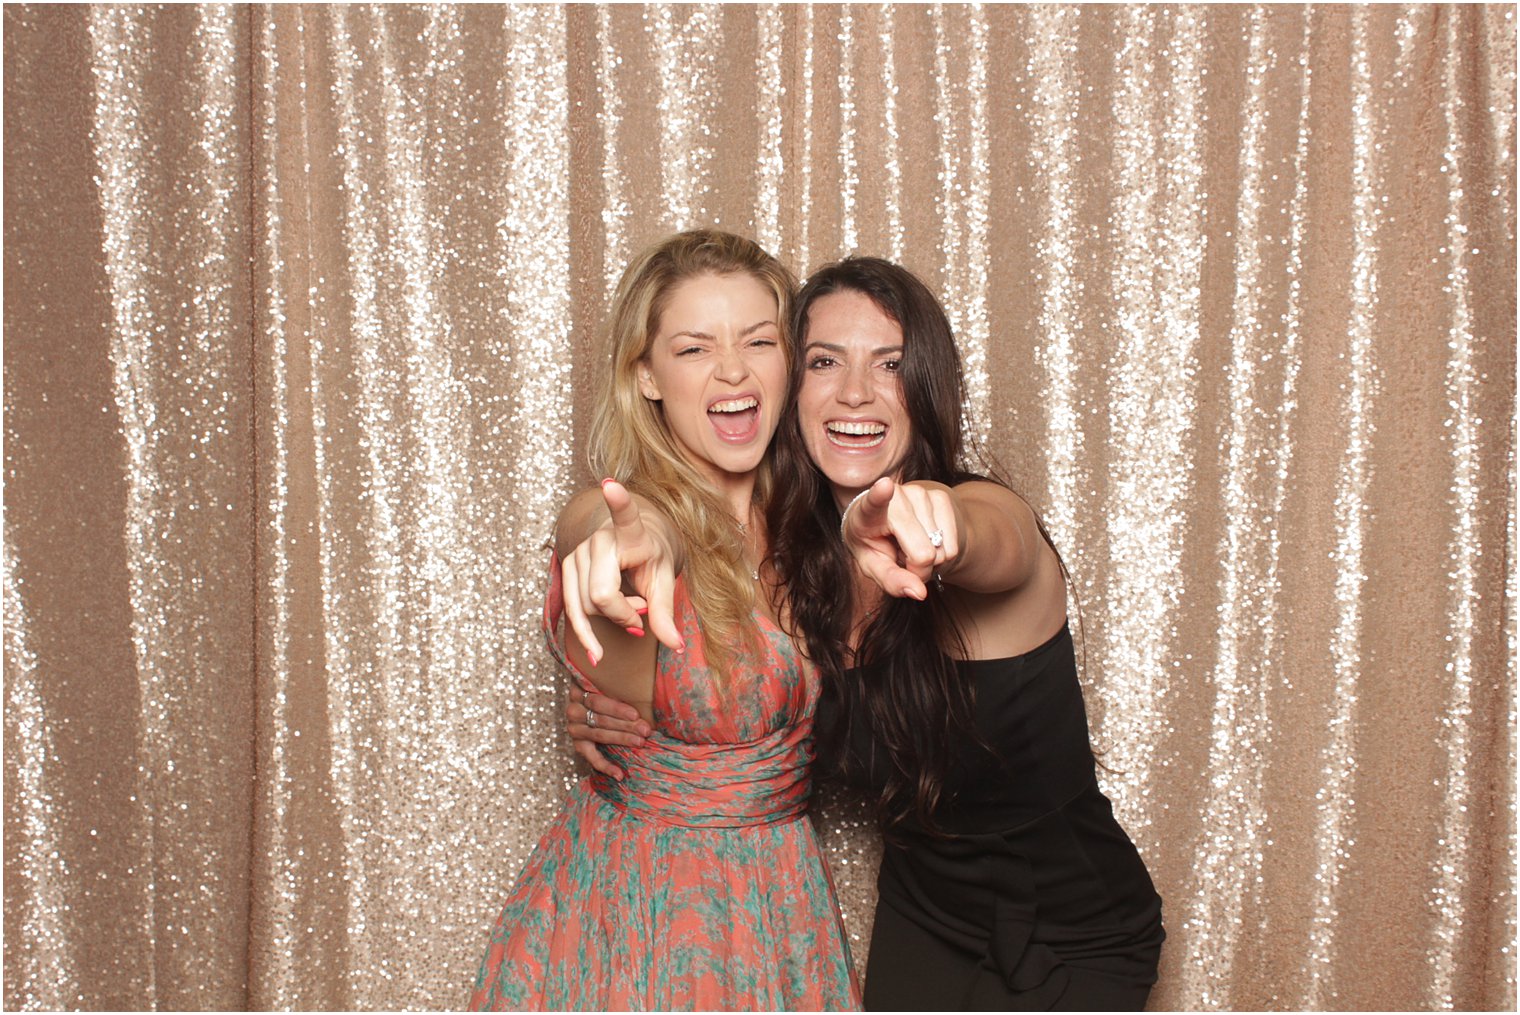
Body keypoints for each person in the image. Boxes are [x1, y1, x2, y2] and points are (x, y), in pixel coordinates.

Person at [572, 257, 1164, 1010]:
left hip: (1076, 928)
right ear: (794, 389)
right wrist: (601, 693)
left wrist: (940, 521)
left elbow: (999, 538)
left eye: (890, 364)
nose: (855, 391)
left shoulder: (979, 518)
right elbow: (731, 692)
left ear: (926, 389)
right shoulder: (791, 563)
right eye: (825, 361)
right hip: (924, 916)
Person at [469, 231, 859, 1011]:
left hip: (783, 913)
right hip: (642, 914)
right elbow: (604, 524)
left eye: (759, 340)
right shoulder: (636, 524)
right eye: (693, 348)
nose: (734, 370)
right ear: (645, 375)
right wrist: (615, 537)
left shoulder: (824, 525)